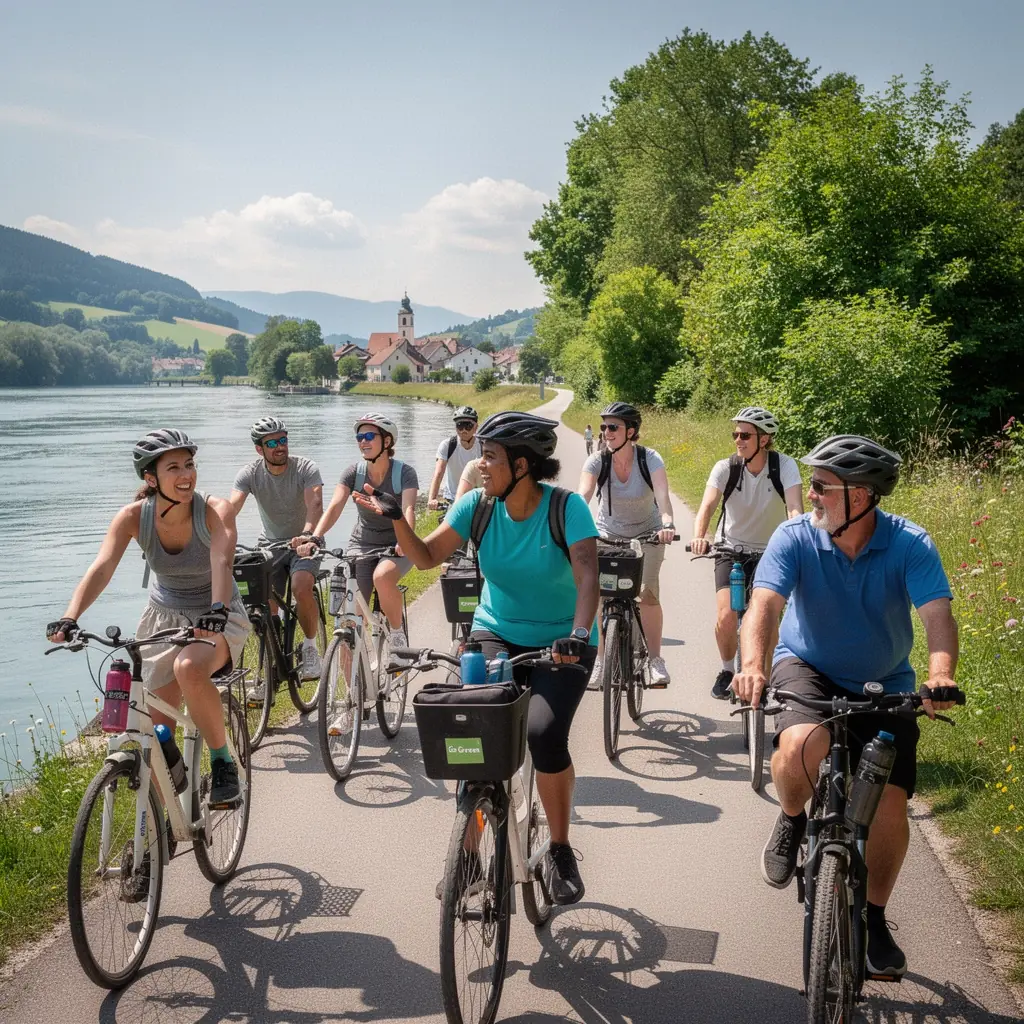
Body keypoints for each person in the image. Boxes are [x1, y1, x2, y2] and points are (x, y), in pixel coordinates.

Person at [732, 434, 961, 978]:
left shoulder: (910, 544)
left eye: (821, 487)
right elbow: (763, 605)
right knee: (798, 745)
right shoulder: (795, 537)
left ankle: (876, 917)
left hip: (886, 682)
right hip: (807, 666)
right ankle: (791, 819)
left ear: (860, 497)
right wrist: (754, 664)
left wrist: (940, 675)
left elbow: (937, 617)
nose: (810, 495)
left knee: (888, 807)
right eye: (810, 484)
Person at [354, 411, 599, 905]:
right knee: (473, 730)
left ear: (523, 465)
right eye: (481, 455)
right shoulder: (476, 507)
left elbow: (588, 574)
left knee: (544, 734)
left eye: (490, 457)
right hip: (494, 630)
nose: (481, 465)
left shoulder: (567, 508)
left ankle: (558, 848)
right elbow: (424, 558)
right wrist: (398, 519)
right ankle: (467, 856)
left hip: (562, 642)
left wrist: (576, 633)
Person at [45, 429, 250, 806]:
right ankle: (160, 831)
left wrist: (217, 611)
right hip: (162, 617)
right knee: (155, 734)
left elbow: (221, 561)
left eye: (189, 464)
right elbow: (102, 567)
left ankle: (223, 762)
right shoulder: (133, 518)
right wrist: (69, 616)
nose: (186, 473)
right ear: (151, 479)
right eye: (174, 467)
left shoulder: (215, 510)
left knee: (190, 668)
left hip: (217, 613)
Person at [690, 407, 803, 699]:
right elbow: (707, 506)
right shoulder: (726, 467)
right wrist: (699, 536)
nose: (738, 440)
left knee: (768, 621)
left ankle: (766, 680)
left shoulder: (785, 466)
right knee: (727, 615)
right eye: (735, 434)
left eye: (745, 435)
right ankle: (728, 669)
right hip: (730, 548)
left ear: (764, 440)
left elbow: (794, 509)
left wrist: (798, 539)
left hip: (772, 553)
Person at [300, 412, 417, 659]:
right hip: (362, 543)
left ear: (387, 442)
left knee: (383, 577)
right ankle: (352, 694)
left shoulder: (404, 473)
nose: (362, 441)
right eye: (359, 436)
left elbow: (408, 509)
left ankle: (397, 634)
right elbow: (334, 506)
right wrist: (315, 537)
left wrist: (404, 541)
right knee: (349, 621)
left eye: (368, 436)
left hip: (398, 543)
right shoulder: (353, 473)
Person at [578, 401, 676, 688]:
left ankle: (656, 661)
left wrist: (668, 524)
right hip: (607, 533)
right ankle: (599, 659)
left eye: (613, 427)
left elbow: (663, 497)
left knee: (646, 593)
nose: (606, 432)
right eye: (604, 427)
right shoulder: (597, 460)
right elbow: (582, 494)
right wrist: (571, 523)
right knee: (601, 593)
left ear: (630, 431)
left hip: (649, 533)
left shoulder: (650, 458)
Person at [230, 416, 324, 682]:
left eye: (283, 440)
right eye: (272, 442)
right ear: (260, 449)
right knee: (262, 602)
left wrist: (307, 535)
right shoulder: (250, 473)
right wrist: (213, 536)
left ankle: (309, 647)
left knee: (301, 586)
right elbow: (230, 510)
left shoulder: (305, 467)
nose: (280, 446)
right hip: (270, 545)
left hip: (306, 543)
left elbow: (315, 504)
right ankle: (271, 657)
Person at [427, 406, 481, 509]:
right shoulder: (448, 445)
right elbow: (438, 473)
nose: (463, 430)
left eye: (468, 425)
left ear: (476, 427)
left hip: (477, 496)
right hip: (453, 497)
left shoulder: (483, 446)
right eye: (460, 426)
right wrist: (432, 499)